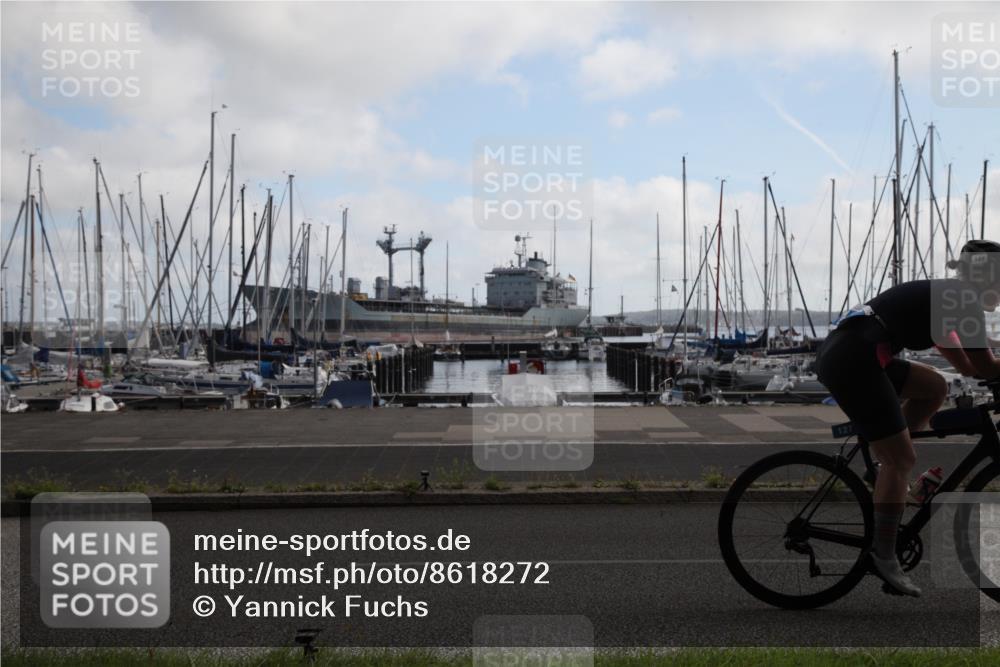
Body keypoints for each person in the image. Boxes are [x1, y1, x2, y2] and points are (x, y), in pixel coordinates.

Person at [815, 239, 1000, 597]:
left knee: (933, 388)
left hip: (856, 353)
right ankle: (883, 556)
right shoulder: (961, 301)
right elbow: (985, 365)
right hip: (856, 360)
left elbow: (967, 364)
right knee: (901, 458)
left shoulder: (950, 299)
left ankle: (886, 466)